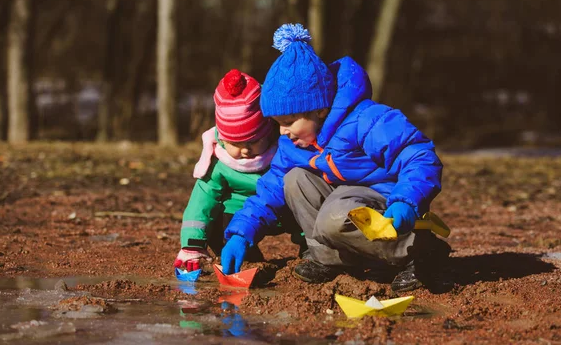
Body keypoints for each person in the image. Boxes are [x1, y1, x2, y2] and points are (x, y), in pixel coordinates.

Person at [220, 24, 450, 291]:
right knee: (294, 179)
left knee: (334, 215)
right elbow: (270, 191)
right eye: (278, 123)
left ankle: (417, 252)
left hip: (386, 199)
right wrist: (241, 233)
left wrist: (406, 200)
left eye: (289, 121)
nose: (283, 132)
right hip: (345, 199)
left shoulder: (366, 120)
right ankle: (331, 259)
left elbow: (418, 156)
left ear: (318, 110)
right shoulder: (293, 143)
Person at [174, 69, 279, 271]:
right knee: (216, 218)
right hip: (238, 214)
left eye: (254, 141)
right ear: (222, 139)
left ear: (268, 132)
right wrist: (192, 245)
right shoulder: (218, 162)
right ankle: (245, 259)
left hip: (282, 211)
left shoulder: (282, 150)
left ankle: (312, 251)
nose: (246, 149)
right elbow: (201, 201)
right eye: (236, 143)